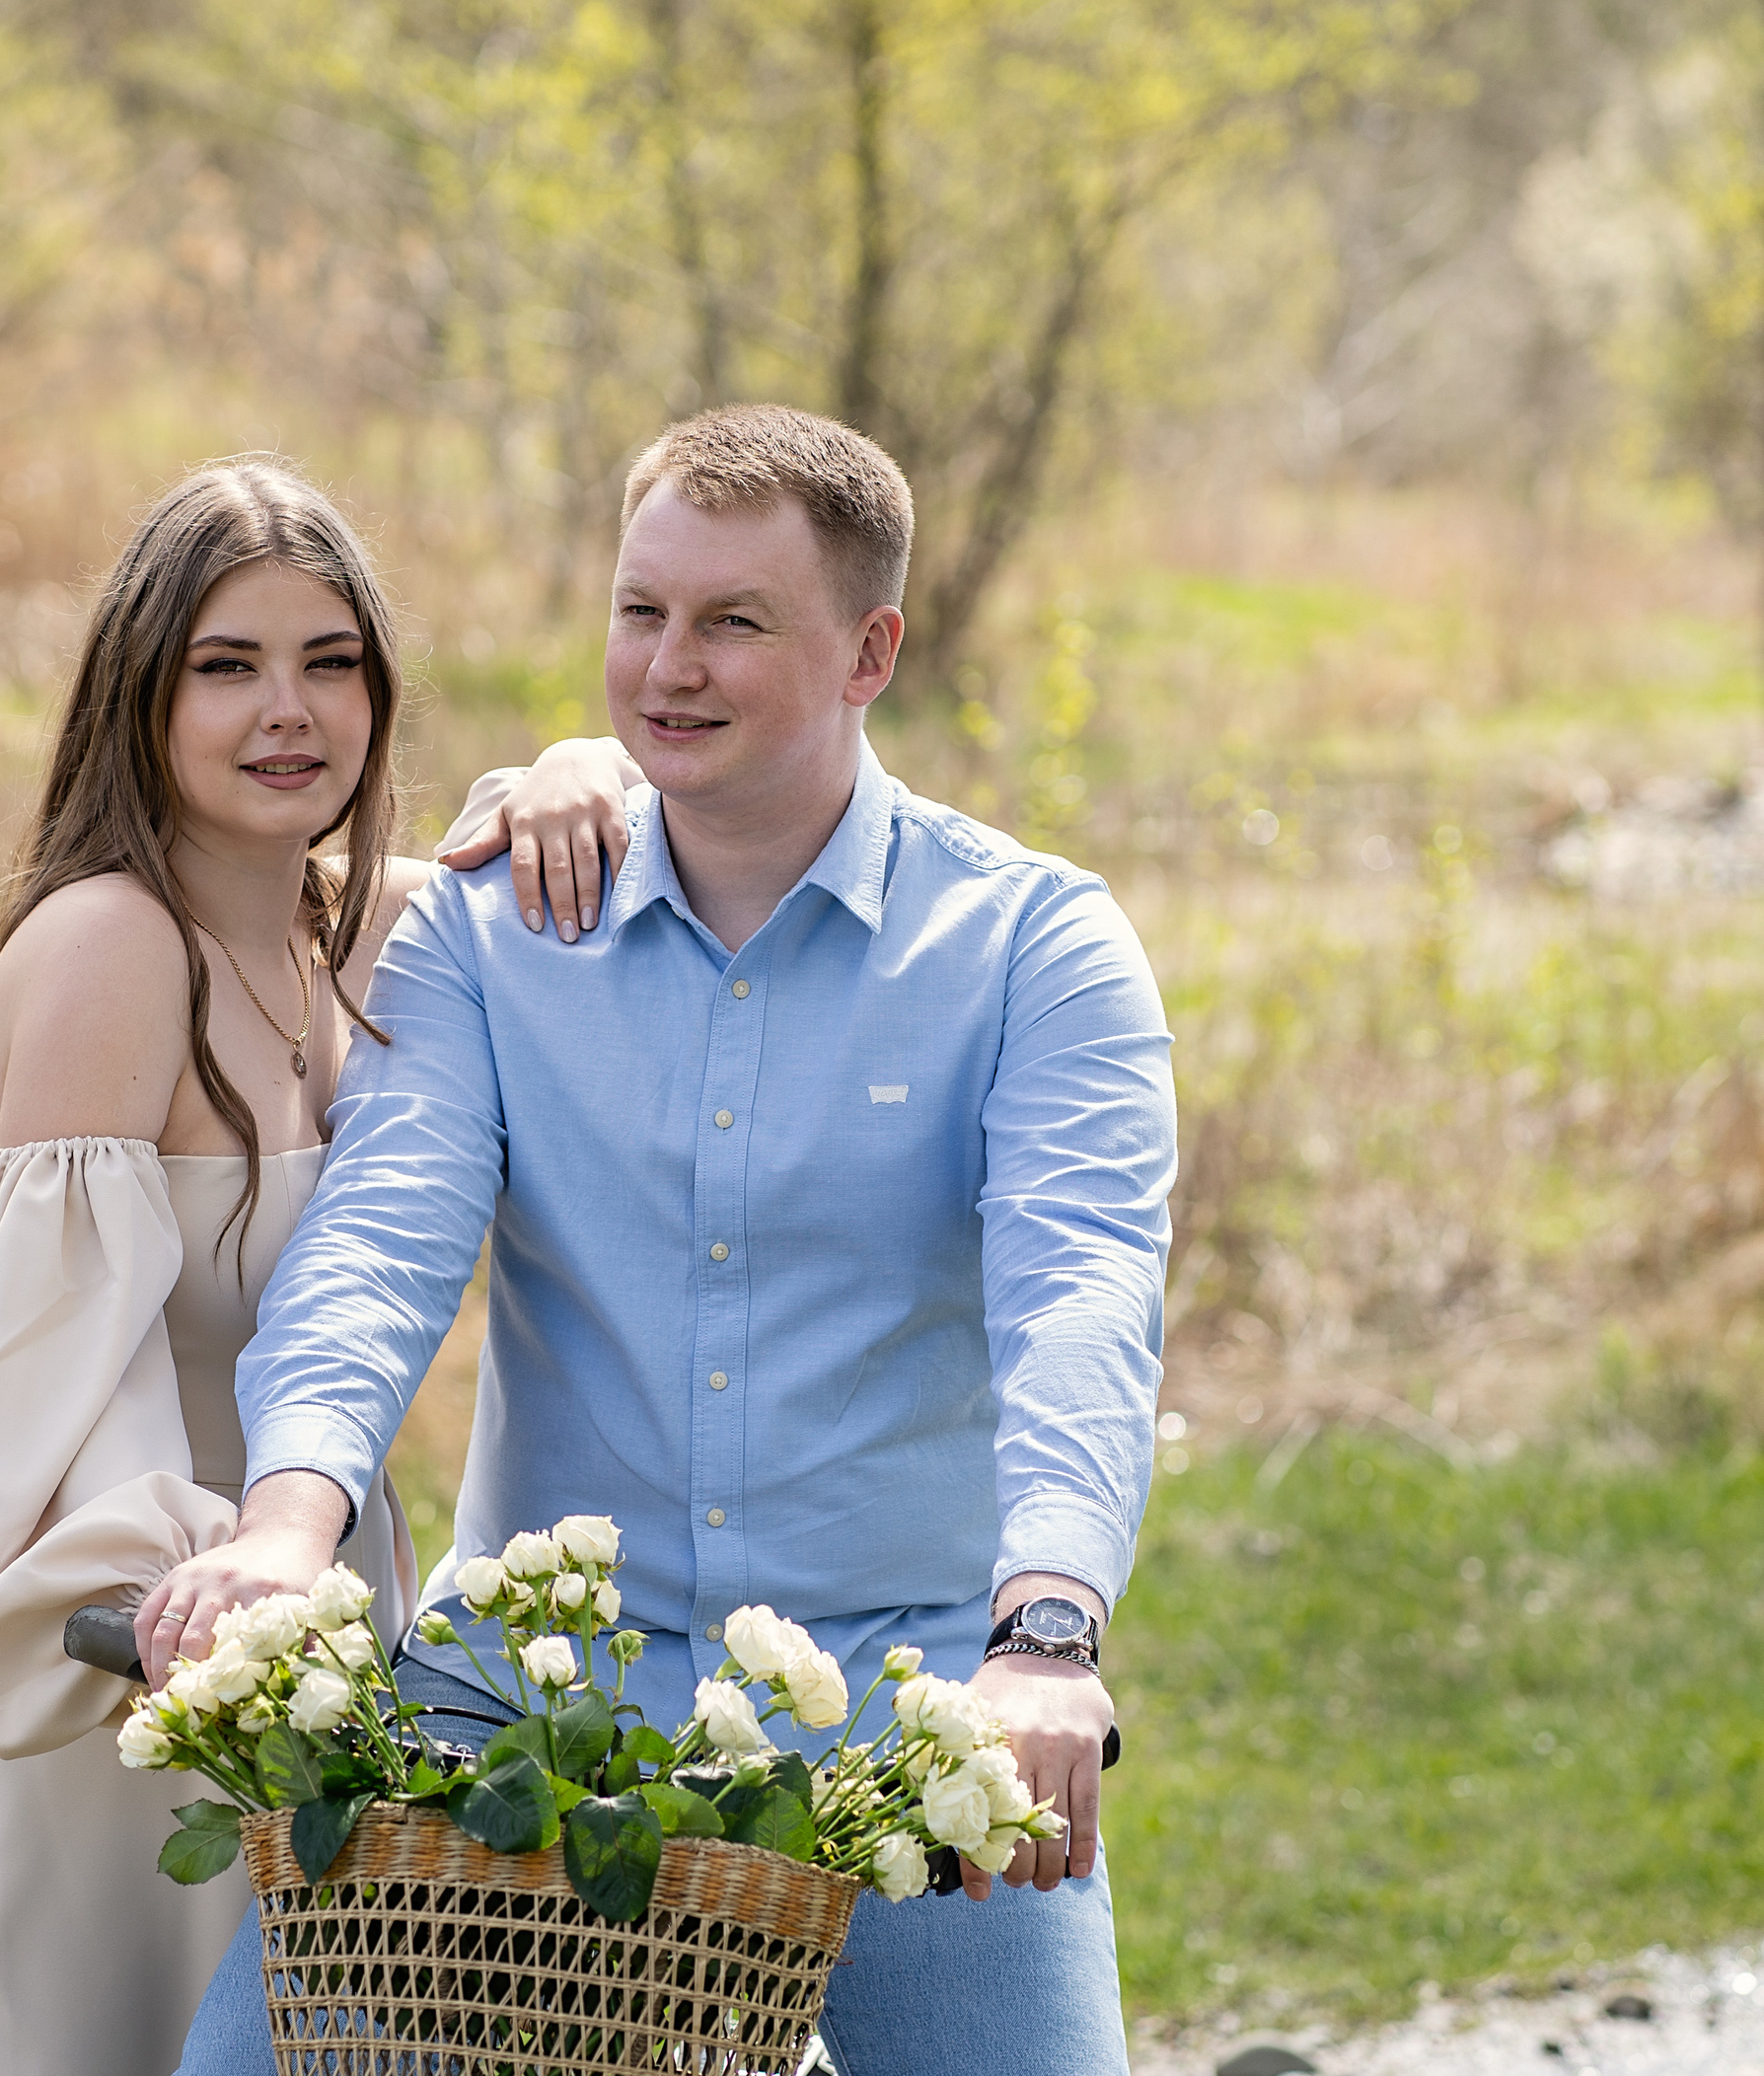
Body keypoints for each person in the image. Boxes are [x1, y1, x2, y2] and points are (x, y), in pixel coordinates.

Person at [153, 406, 1178, 2076]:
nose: (667, 669)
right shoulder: (490, 930)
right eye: (642, 611)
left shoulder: (1033, 947)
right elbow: (381, 1244)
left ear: (870, 653)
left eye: (732, 623)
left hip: (911, 1709)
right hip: (531, 1695)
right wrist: (286, 1529)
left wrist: (1045, 1639)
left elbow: (1083, 1299)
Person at [0, 454, 641, 2076]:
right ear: (142, 693)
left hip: (320, 1631)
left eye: (329, 662)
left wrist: (576, 764)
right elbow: (61, 1397)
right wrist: (229, 1620)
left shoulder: (366, 933)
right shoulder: (109, 947)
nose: (286, 711)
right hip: (123, 1646)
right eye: (227, 666)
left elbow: (579, 843)